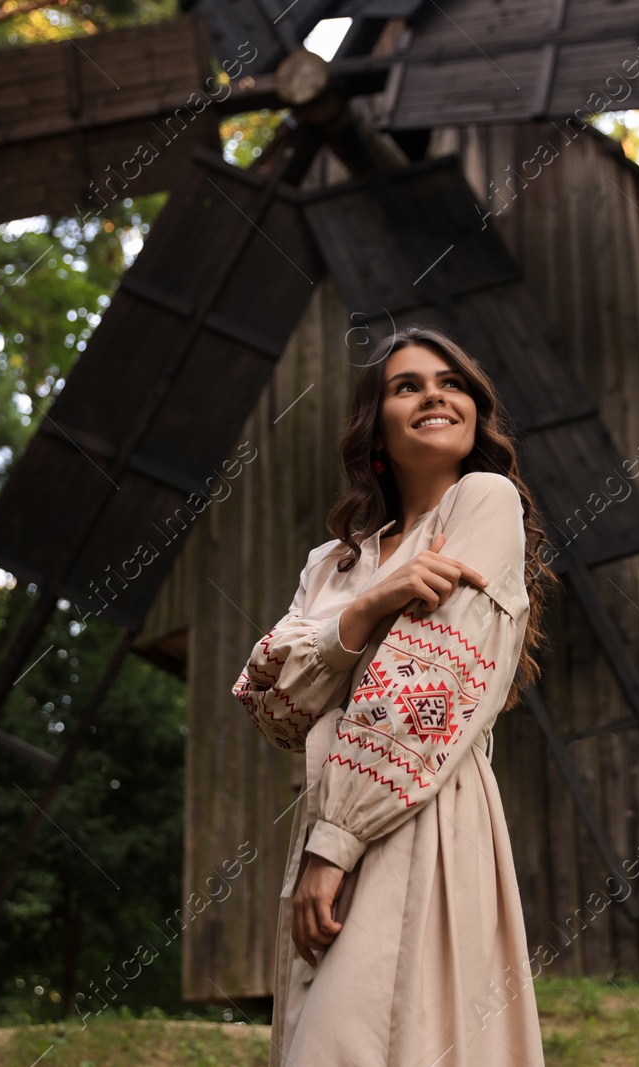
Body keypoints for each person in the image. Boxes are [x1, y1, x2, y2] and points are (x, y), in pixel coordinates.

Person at [231, 327, 558, 1066]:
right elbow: (268, 702)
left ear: (475, 409)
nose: (435, 394)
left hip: (425, 809)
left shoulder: (484, 501)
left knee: (367, 1038)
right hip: (329, 817)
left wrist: (336, 842)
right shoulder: (333, 565)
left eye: (452, 381)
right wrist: (369, 604)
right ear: (375, 421)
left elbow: (424, 685)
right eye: (407, 385)